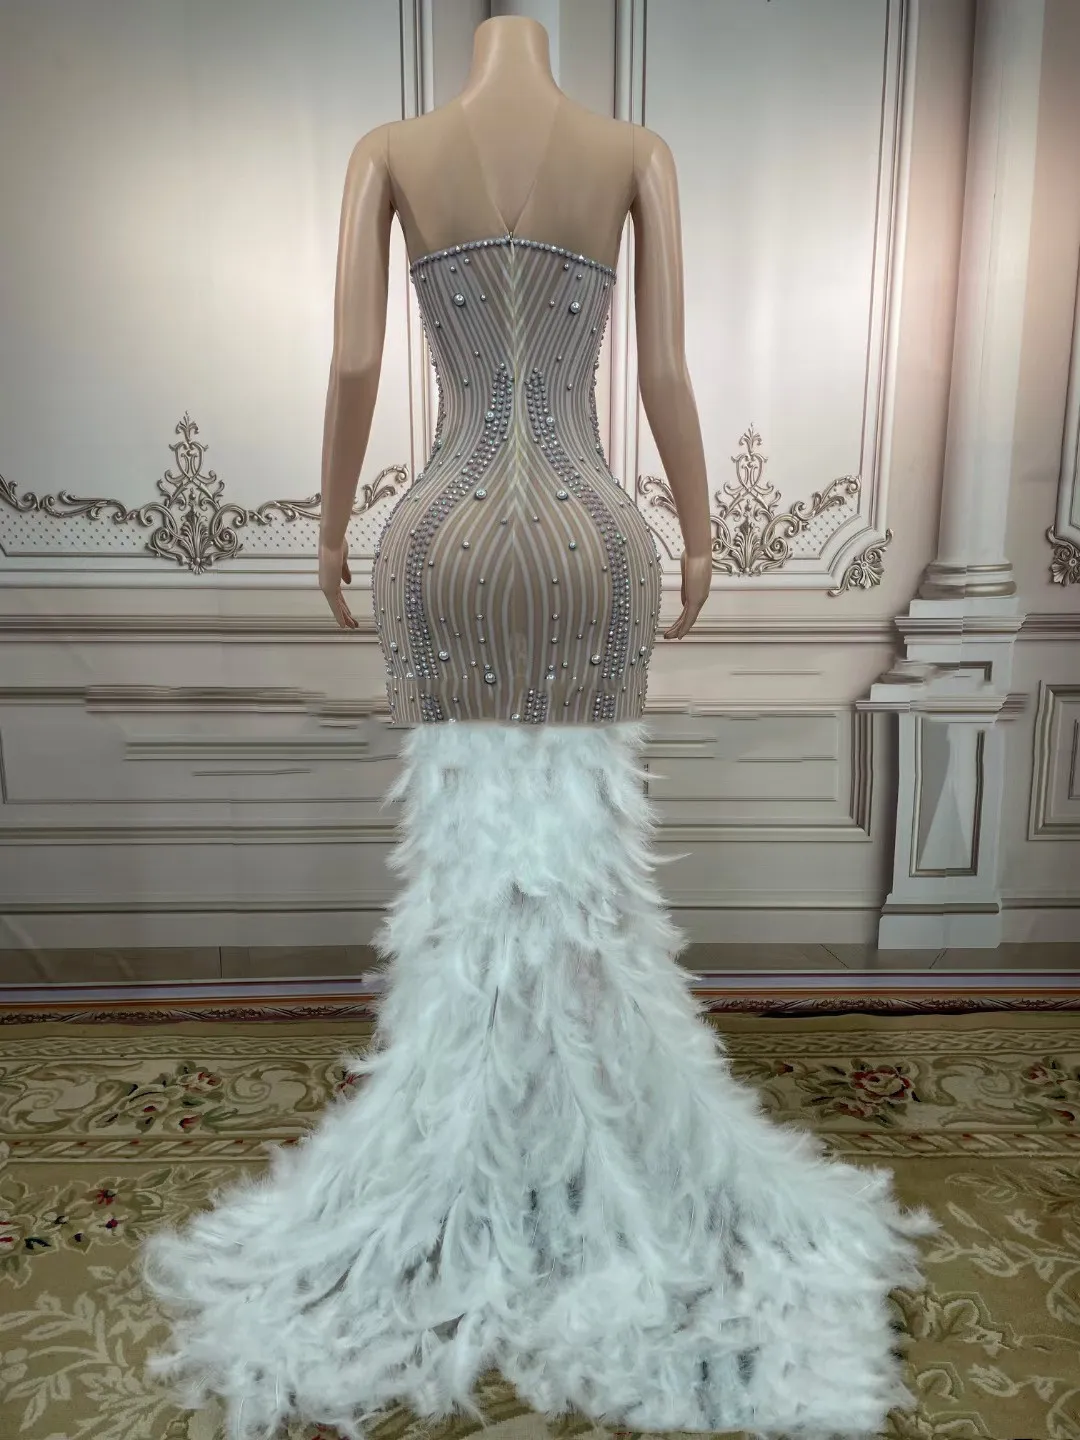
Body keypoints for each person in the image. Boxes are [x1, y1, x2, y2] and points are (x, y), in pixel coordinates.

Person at [141, 17, 937, 1440]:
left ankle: (492, 1143)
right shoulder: (633, 151)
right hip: (587, 540)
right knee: (579, 872)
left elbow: (351, 364)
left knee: (469, 869)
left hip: (442, 537)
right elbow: (667, 373)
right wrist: (702, 535)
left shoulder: (392, 151)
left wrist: (329, 527)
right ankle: (572, 1144)